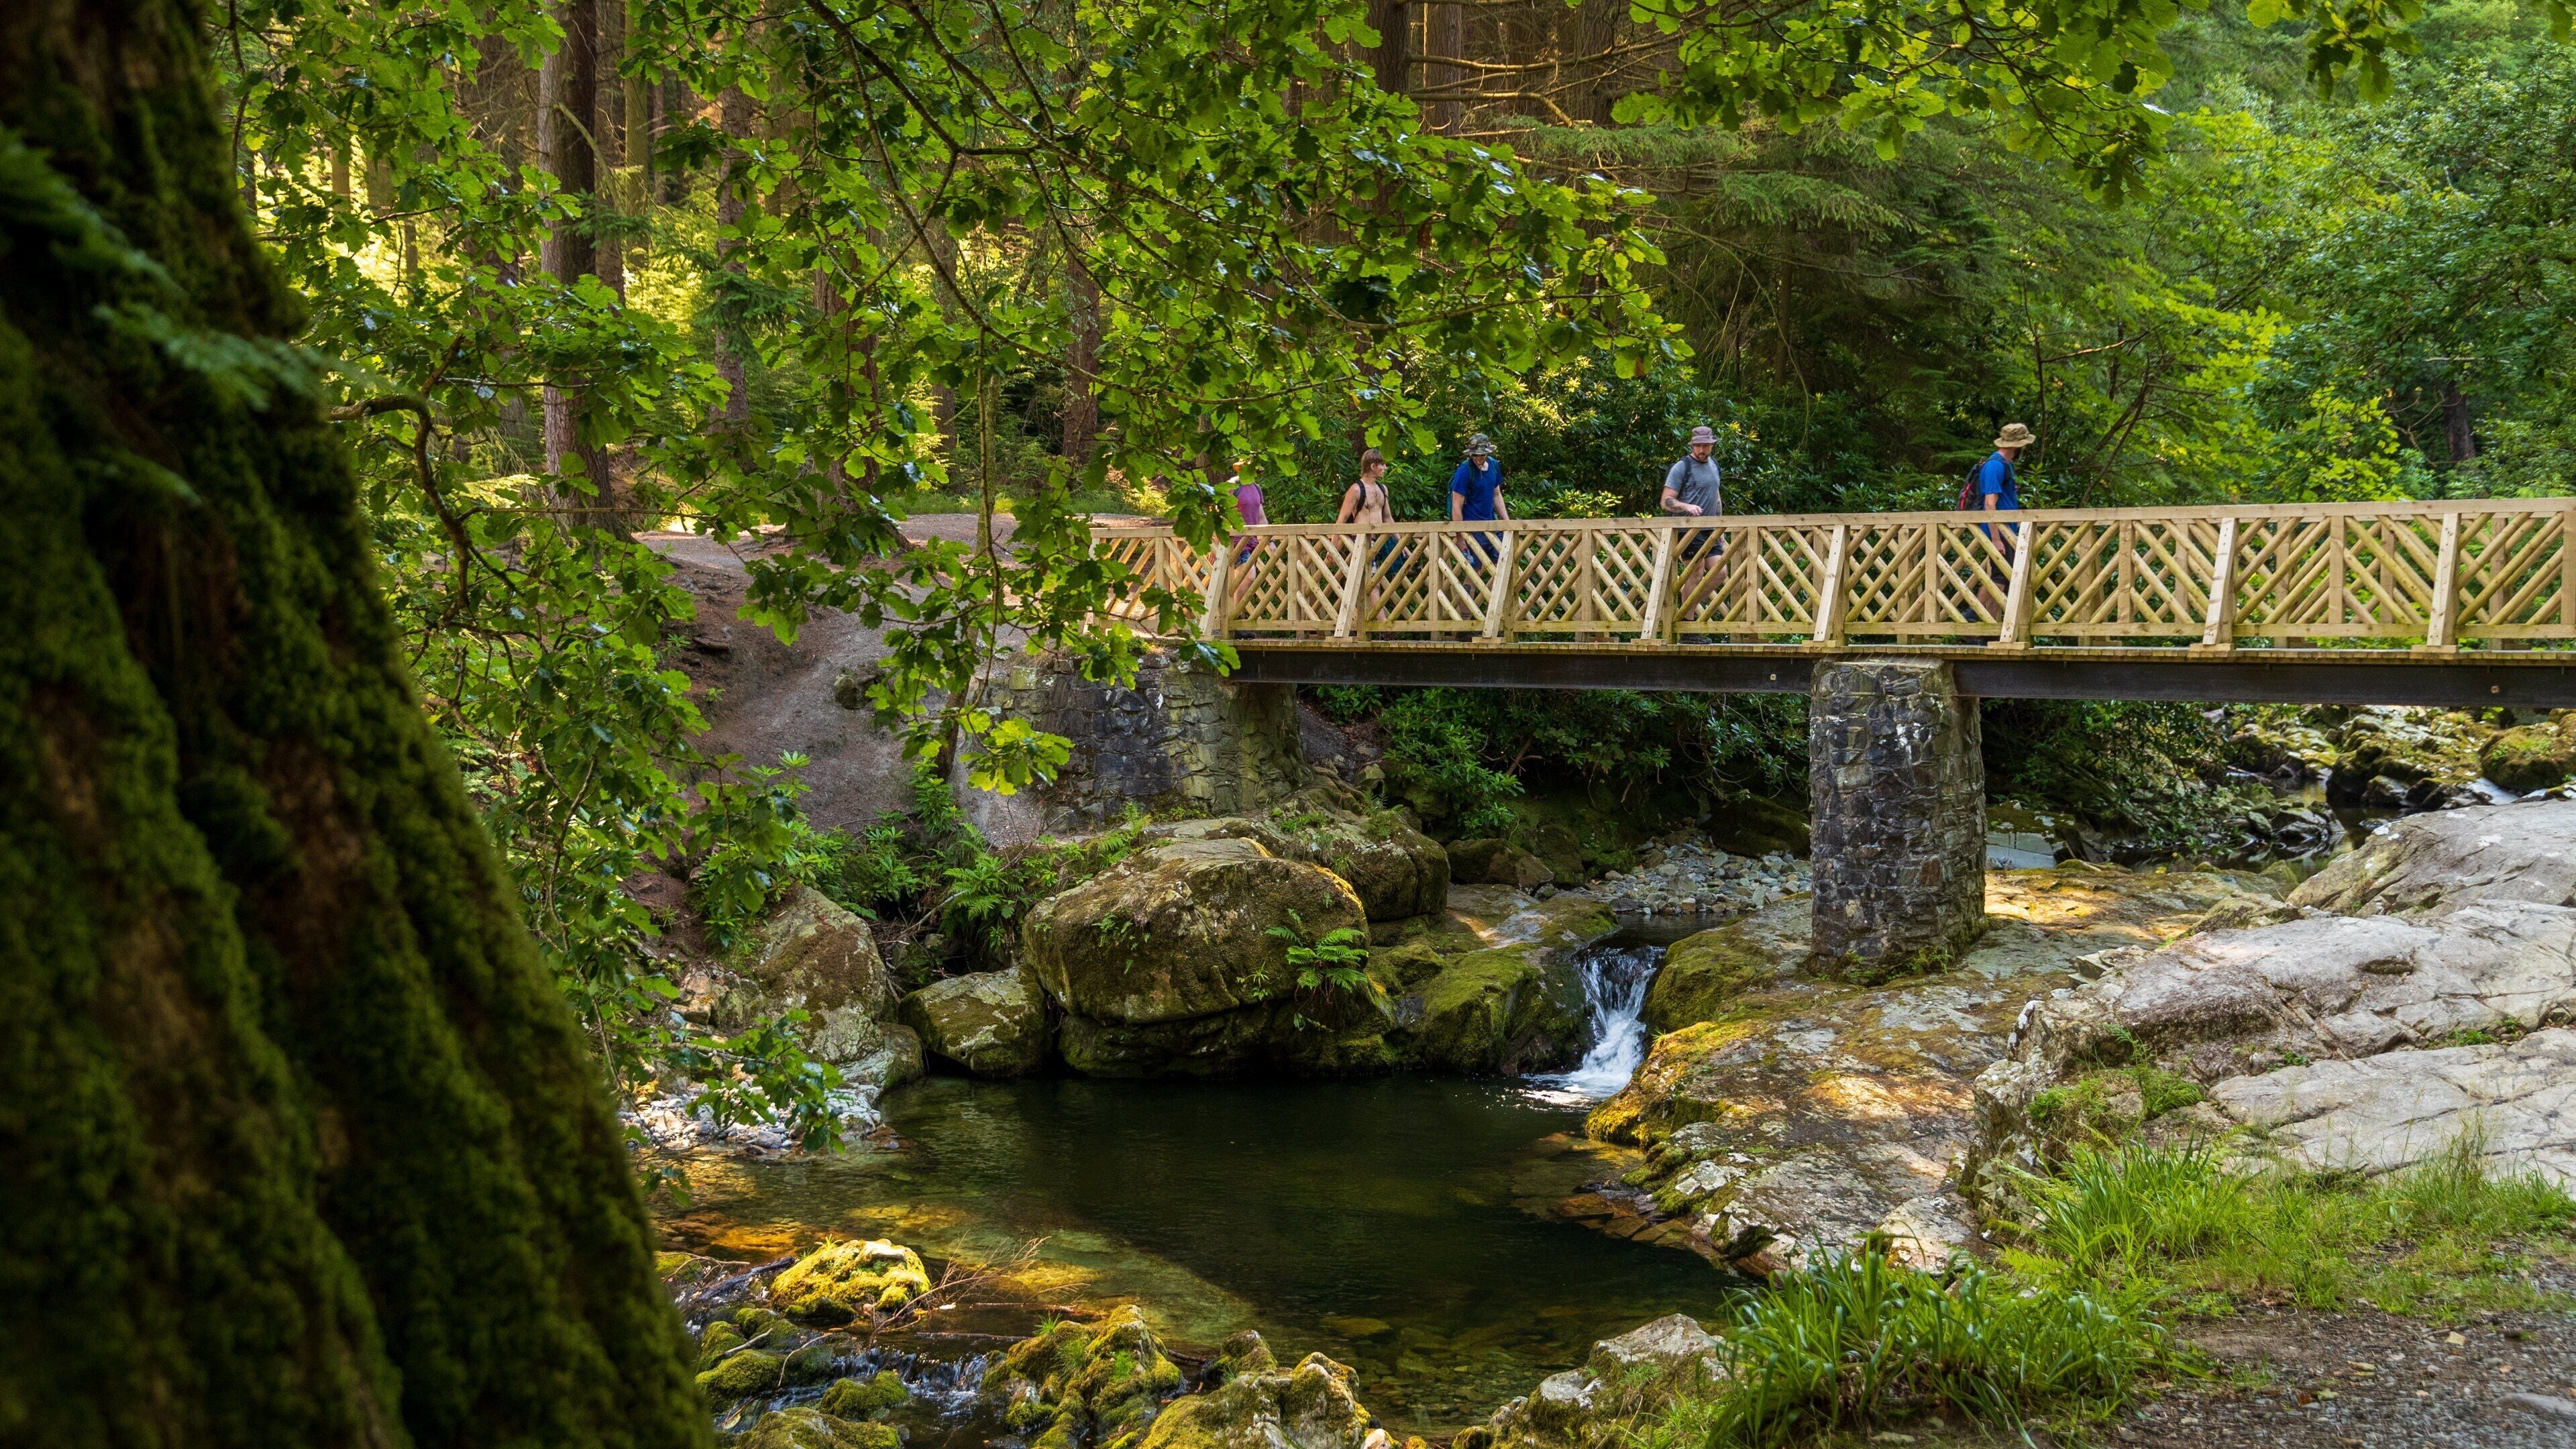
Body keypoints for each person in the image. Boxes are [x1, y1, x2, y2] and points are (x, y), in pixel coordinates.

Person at [1660, 424, 1726, 602]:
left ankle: (1684, 607)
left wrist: (1719, 528)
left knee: (1720, 572)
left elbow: (1716, 497)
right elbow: (1666, 501)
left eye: (1706, 446)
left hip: (1710, 529)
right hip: (1687, 530)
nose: (1702, 450)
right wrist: (1686, 506)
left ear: (1712, 445)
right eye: (1698, 446)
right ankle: (1688, 623)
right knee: (1696, 572)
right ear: (1692, 445)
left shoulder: (1714, 465)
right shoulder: (1682, 467)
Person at [1448, 433, 1508, 562]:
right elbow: (1456, 505)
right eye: (1475, 454)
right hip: (1472, 528)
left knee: (1505, 562)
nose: (1478, 458)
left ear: (1488, 453)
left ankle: (1496, 584)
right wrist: (1460, 537)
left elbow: (1497, 495)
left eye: (1482, 454)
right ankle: (1467, 584)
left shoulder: (1494, 465)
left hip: (1491, 525)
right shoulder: (1465, 471)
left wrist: (1507, 524)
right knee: (1476, 570)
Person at [1972, 424, 2033, 513]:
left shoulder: (2007, 463)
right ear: (2016, 446)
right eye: (2023, 445)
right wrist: (1997, 527)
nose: (2024, 448)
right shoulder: (1995, 465)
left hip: (2007, 525)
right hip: (1998, 526)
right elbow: (1990, 504)